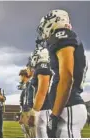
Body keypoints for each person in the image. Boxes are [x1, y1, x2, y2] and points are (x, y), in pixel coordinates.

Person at [37, 9, 88, 138]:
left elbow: (67, 77)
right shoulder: (68, 38)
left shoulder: (62, 34)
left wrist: (54, 115)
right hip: (67, 108)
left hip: (68, 108)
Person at [28, 40, 52, 138]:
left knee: (43, 134)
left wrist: (34, 112)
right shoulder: (42, 67)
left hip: (45, 108)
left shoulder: (43, 67)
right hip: (43, 107)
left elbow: (42, 92)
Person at [18, 68, 34, 138]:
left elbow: (33, 101)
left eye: (20, 76)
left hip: (30, 112)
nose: (20, 78)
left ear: (23, 76)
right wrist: (22, 113)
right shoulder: (25, 87)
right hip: (25, 112)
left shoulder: (31, 85)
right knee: (26, 134)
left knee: (32, 134)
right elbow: (22, 101)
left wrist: (32, 115)